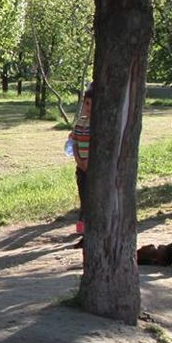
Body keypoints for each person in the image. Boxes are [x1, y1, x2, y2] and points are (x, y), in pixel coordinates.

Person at [68, 85, 93, 235]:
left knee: (93, 196)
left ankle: (88, 222)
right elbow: (74, 143)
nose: (89, 108)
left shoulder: (99, 125)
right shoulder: (80, 123)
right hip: (81, 166)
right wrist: (79, 160)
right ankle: (82, 221)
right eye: (87, 103)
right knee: (83, 194)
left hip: (93, 167)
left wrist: (89, 161)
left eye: (93, 104)